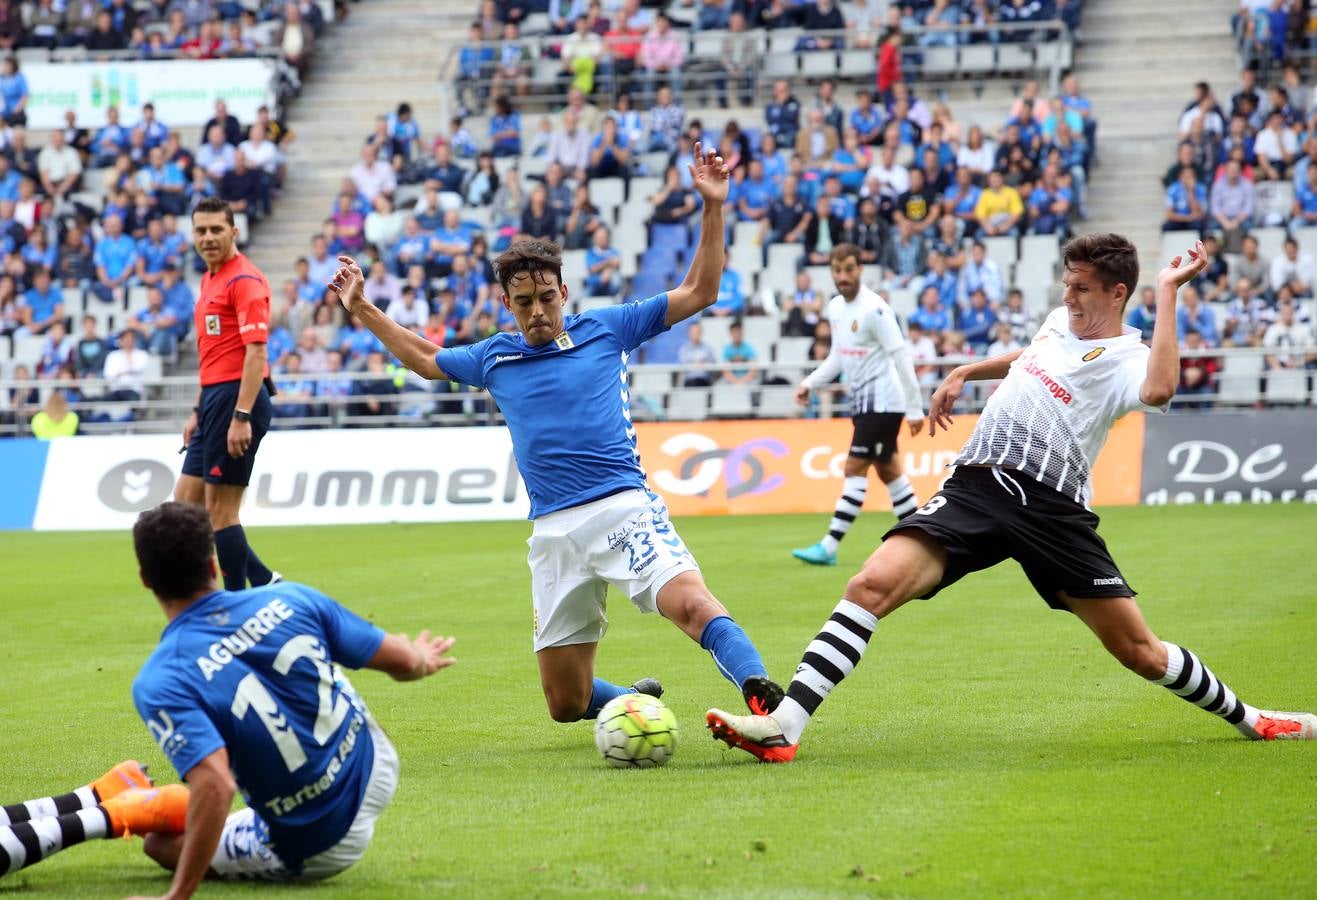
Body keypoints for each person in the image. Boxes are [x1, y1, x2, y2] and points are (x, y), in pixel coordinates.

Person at [708, 234, 1317, 763]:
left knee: (1140, 651)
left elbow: (1159, 389)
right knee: (869, 584)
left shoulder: (1130, 356)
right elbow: (1031, 358)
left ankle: (1254, 719)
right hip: (976, 484)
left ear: (1117, 292)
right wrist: (967, 371)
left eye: (1081, 288)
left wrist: (1168, 291)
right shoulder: (1057, 323)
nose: (1068, 296)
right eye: (1066, 284)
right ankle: (783, 727)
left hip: (1052, 511)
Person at [327, 143, 784, 727]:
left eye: (546, 298)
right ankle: (632, 700)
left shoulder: (608, 328)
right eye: (524, 303)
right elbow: (422, 357)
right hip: (553, 532)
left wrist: (713, 206)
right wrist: (361, 306)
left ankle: (759, 693)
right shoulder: (494, 357)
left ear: (564, 293)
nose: (538, 311)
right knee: (566, 703)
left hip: (623, 508)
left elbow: (701, 291)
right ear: (507, 305)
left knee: (691, 602)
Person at [30, 500, 453, 896]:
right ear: (213, 564)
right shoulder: (290, 597)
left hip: (321, 838)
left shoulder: (161, 679)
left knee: (160, 847)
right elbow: (401, 661)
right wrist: (421, 659)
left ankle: (126, 807)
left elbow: (216, 785)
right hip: (375, 763)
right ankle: (132, 802)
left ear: (145, 580)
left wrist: (178, 895)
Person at [790, 243, 925, 567]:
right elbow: (838, 356)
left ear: (860, 269)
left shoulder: (876, 310)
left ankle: (829, 545)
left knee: (854, 467)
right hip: (864, 403)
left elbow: (900, 356)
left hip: (884, 402)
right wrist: (811, 382)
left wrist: (915, 408)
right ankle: (928, 538)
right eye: (837, 271)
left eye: (849, 269)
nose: (843, 276)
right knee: (889, 471)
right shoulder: (836, 308)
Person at [175, 197, 278, 593]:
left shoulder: (244, 281)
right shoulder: (208, 279)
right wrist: (198, 411)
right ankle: (265, 580)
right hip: (214, 400)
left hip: (238, 399)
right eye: (201, 230)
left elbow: (256, 353)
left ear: (234, 232)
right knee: (186, 510)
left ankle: (236, 608)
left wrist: (241, 416)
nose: (208, 237)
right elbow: (214, 354)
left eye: (217, 229)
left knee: (221, 511)